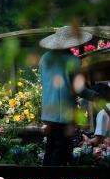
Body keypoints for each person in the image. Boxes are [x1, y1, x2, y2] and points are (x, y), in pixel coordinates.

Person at [39, 26, 99, 166]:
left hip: (48, 110)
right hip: (64, 112)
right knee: (62, 147)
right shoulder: (73, 61)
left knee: (51, 146)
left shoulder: (44, 58)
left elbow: (44, 82)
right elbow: (78, 89)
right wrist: (94, 95)